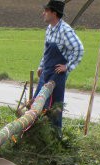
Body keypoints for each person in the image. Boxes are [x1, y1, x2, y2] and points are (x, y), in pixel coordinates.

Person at [35, 0, 83, 135]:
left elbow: (79, 49)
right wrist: (41, 66)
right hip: (46, 73)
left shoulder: (65, 30)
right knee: (37, 104)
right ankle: (38, 134)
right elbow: (46, 51)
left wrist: (67, 67)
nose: (43, 13)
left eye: (46, 11)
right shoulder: (49, 29)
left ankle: (55, 137)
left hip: (57, 75)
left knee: (54, 108)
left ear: (54, 13)